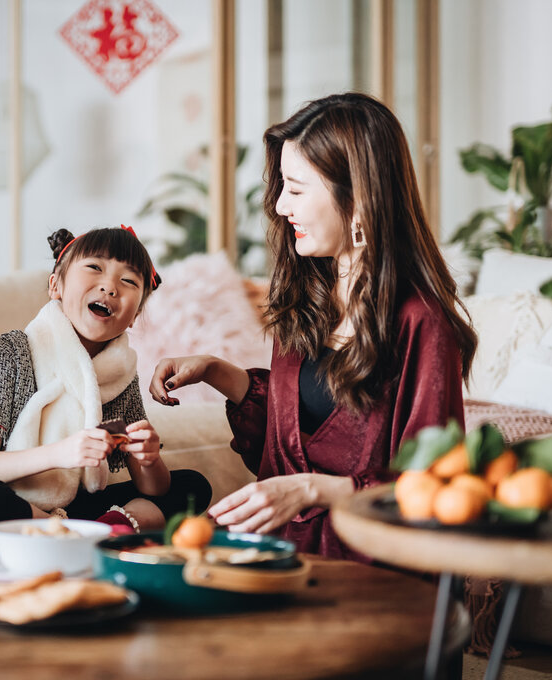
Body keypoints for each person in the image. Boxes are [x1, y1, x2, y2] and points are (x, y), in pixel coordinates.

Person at [149, 93, 477, 559]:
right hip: (275, 552)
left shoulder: (422, 323)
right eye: (282, 186)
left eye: (297, 190)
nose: (281, 206)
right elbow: (288, 445)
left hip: (370, 567)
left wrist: (312, 491)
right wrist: (216, 372)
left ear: (359, 198)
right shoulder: (307, 302)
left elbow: (434, 489)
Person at [0, 226, 211, 546]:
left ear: (135, 315)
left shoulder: (121, 374)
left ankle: (86, 531)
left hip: (70, 506)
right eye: (94, 268)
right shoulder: (14, 351)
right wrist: (62, 452)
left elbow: (152, 489)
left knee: (191, 487)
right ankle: (88, 537)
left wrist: (150, 458)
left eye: (128, 281)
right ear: (55, 286)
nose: (110, 286)